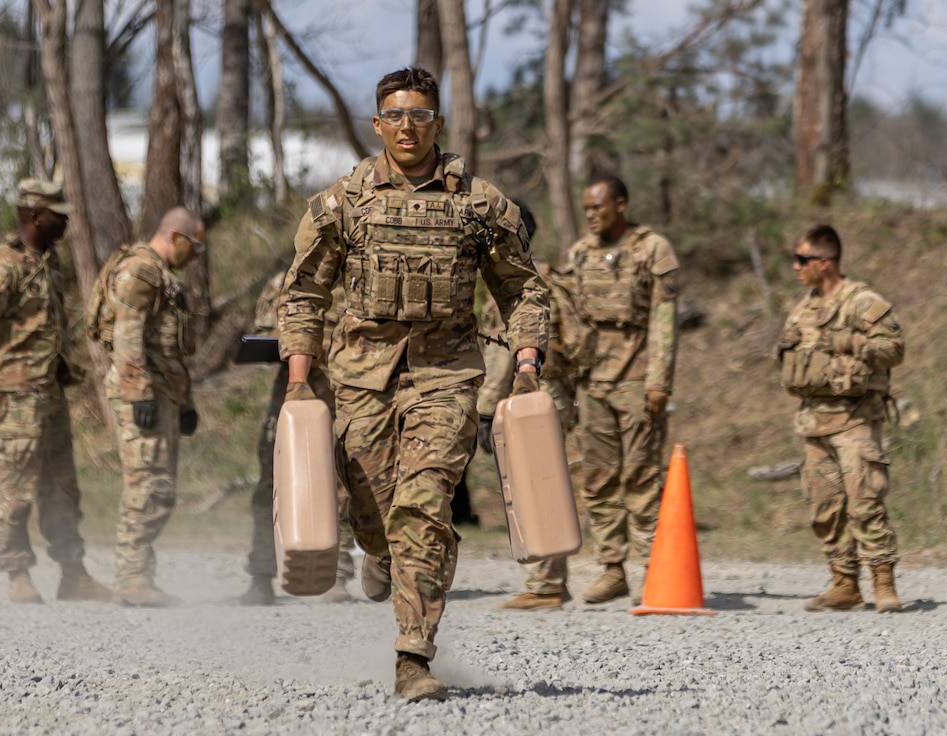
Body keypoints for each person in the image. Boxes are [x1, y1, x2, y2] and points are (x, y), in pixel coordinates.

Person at [278, 67, 548, 702]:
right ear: (378, 125)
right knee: (372, 516)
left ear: (438, 123)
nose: (407, 126)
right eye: (395, 115)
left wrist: (528, 362)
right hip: (361, 378)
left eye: (419, 115)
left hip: (446, 374)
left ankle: (412, 657)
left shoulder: (479, 205)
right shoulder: (344, 201)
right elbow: (305, 290)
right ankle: (378, 557)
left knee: (424, 507)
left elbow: (521, 287)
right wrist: (298, 380)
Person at [0, 178, 112, 605]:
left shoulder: (49, 262)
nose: (64, 221)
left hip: (50, 393)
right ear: (33, 216)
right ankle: (17, 574)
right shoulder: (1, 266)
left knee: (62, 486)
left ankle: (73, 573)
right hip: (14, 396)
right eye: (56, 214)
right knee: (16, 488)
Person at [776, 224, 905, 613]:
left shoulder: (862, 301)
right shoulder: (804, 308)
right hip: (814, 421)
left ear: (824, 263)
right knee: (824, 507)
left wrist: (850, 341)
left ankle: (883, 583)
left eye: (801, 260)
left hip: (854, 419)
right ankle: (844, 584)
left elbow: (894, 349)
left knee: (865, 502)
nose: (796, 267)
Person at [562, 174, 679, 604]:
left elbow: (664, 323)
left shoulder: (652, 250)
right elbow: (569, 319)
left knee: (642, 477)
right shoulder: (579, 254)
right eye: (587, 209)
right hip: (593, 383)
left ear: (622, 204)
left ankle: (655, 569)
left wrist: (659, 382)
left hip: (637, 380)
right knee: (597, 479)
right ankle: (612, 568)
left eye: (599, 207)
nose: (591, 215)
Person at [99, 206, 206, 607]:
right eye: (193, 247)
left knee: (160, 486)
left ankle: (138, 575)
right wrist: (138, 390)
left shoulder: (162, 277)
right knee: (147, 484)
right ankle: (131, 579)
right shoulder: (142, 271)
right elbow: (127, 334)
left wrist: (185, 403)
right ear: (175, 236)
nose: (195, 257)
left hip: (163, 393)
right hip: (142, 394)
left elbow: (169, 350)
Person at [475, 203, 578, 610]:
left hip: (528, 394)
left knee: (534, 484)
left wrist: (485, 410)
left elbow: (504, 354)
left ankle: (546, 584)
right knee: (545, 481)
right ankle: (548, 579)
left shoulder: (514, 284)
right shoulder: (549, 275)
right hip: (554, 393)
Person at [239, 269, 357, 605]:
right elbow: (265, 334)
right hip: (293, 399)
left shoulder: (360, 276)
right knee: (271, 485)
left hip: (345, 397)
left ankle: (335, 574)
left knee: (340, 486)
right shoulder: (287, 280)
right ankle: (261, 575)